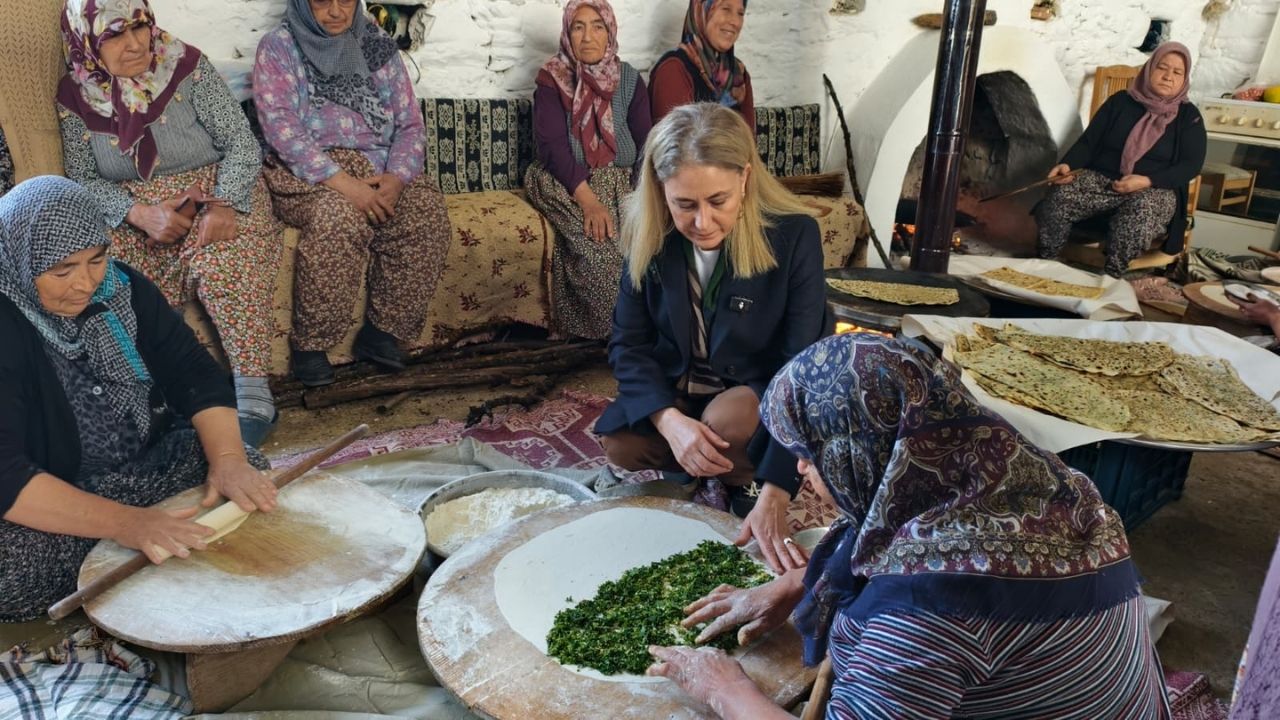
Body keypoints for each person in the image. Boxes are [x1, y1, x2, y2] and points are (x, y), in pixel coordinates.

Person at [646, 333, 1172, 719]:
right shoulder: (1038, 477)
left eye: (811, 455)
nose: (801, 469)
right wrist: (791, 584)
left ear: (866, 455)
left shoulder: (924, 611)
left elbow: (927, 603)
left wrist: (723, 688)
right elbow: (889, 529)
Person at [0, 176, 278, 623]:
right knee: (7, 572)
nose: (85, 283)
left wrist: (227, 460)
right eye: (62, 271)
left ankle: (135, 556)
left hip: (142, 466)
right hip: (50, 493)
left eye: (96, 260)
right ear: (18, 259)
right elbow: (6, 476)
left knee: (246, 471)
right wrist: (129, 524)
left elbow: (193, 372)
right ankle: (145, 546)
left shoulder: (123, 286)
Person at [596, 102, 827, 575]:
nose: (702, 222)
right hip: (682, 394)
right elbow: (628, 344)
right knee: (619, 441)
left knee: (727, 418)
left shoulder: (795, 236)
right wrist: (669, 422)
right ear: (662, 192)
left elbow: (801, 370)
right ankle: (696, 463)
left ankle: (743, 474)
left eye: (717, 201)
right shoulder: (648, 234)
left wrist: (777, 489)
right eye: (684, 204)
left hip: (752, 400)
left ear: (744, 179)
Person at [57, 0, 283, 446]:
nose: (137, 43)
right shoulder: (73, 96)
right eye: (115, 35)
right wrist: (140, 214)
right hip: (133, 206)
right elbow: (82, 176)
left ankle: (254, 394)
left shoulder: (186, 66)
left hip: (215, 188)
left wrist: (225, 205)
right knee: (118, 276)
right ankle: (160, 398)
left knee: (223, 257)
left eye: (140, 27)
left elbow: (240, 142)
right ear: (87, 44)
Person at [253, 0, 451, 387]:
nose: (336, 11)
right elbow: (282, 130)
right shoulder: (279, 46)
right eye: (322, 1)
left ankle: (380, 333)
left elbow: (410, 122)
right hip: (311, 171)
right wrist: (347, 186)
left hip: (377, 167)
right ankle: (311, 346)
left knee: (425, 210)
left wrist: (397, 176)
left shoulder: (374, 41)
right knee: (337, 218)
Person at [525, 0, 652, 340]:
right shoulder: (552, 79)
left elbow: (646, 145)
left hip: (623, 182)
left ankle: (650, 339)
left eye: (597, 26)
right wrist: (589, 201)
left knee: (647, 256)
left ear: (610, 32)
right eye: (577, 26)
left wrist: (645, 200)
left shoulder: (628, 80)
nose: (587, 36)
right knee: (601, 258)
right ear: (567, 33)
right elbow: (553, 148)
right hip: (567, 181)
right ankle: (611, 340)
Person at [1037, 42, 1206, 277]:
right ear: (1149, 69)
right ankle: (1046, 263)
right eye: (1162, 68)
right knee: (1060, 195)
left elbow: (1191, 165)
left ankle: (1111, 276)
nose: (1168, 77)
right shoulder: (1120, 102)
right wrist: (1068, 165)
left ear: (1184, 79)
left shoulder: (1189, 117)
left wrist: (1147, 180)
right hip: (1104, 180)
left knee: (1141, 210)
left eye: (1177, 72)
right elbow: (1089, 142)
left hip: (1155, 188)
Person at [649, 0, 754, 132]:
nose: (735, 22)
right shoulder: (674, 70)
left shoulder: (739, 74)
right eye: (726, 9)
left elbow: (750, 141)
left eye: (740, 13)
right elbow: (675, 146)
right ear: (701, 10)